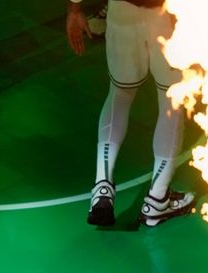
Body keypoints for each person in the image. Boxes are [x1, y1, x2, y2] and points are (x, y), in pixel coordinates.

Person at [66, 0, 195, 227]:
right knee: (171, 101)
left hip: (121, 15)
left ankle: (102, 187)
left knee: (120, 95)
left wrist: (75, 8)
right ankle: (157, 199)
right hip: (166, 17)